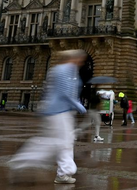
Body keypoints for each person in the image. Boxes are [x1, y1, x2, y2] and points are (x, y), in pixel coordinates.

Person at [10, 49, 87, 185]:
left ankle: (64, 173)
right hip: (58, 111)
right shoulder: (66, 70)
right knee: (57, 143)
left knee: (65, 142)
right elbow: (65, 91)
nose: (81, 62)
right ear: (73, 58)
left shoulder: (62, 69)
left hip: (60, 111)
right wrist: (78, 105)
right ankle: (21, 161)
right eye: (80, 59)